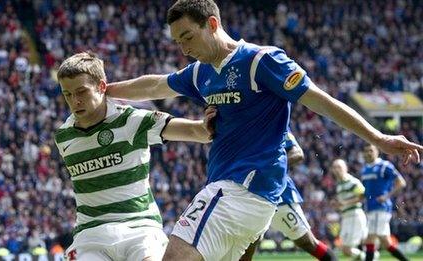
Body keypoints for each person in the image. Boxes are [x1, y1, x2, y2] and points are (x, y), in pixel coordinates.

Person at [105, 1, 422, 260]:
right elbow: (157, 84)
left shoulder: (261, 61)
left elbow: (321, 102)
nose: (183, 48)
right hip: (241, 195)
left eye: (188, 37)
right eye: (177, 41)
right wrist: (106, 91)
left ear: (212, 24)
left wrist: (378, 138)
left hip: (243, 187)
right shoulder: (200, 73)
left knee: (174, 256)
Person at [54, 52, 212, 261]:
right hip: (91, 235)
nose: (75, 101)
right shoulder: (63, 137)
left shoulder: (132, 120)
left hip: (139, 228)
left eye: (81, 91)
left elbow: (197, 132)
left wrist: (209, 123)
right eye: (68, 94)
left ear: (102, 87)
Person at [240, 131, 337, 261]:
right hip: (251, 195)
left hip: (279, 194)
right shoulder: (240, 125)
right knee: (246, 250)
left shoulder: (277, 123)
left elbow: (297, 153)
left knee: (307, 243)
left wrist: (268, 167)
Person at [361, 144, 409, 261]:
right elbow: (367, 191)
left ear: (377, 151)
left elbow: (401, 182)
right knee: (386, 243)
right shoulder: (365, 169)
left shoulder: (384, 166)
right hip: (370, 208)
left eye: (371, 150)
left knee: (370, 238)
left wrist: (387, 196)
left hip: (381, 207)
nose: (368, 153)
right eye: (366, 151)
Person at [331, 159, 368, 260]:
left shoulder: (351, 181)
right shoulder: (339, 184)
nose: (336, 169)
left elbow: (364, 195)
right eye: (334, 167)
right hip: (346, 216)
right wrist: (337, 205)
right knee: (345, 250)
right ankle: (367, 257)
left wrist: (345, 203)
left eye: (339, 167)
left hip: (354, 215)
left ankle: (370, 258)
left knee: (346, 249)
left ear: (345, 168)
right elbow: (343, 202)